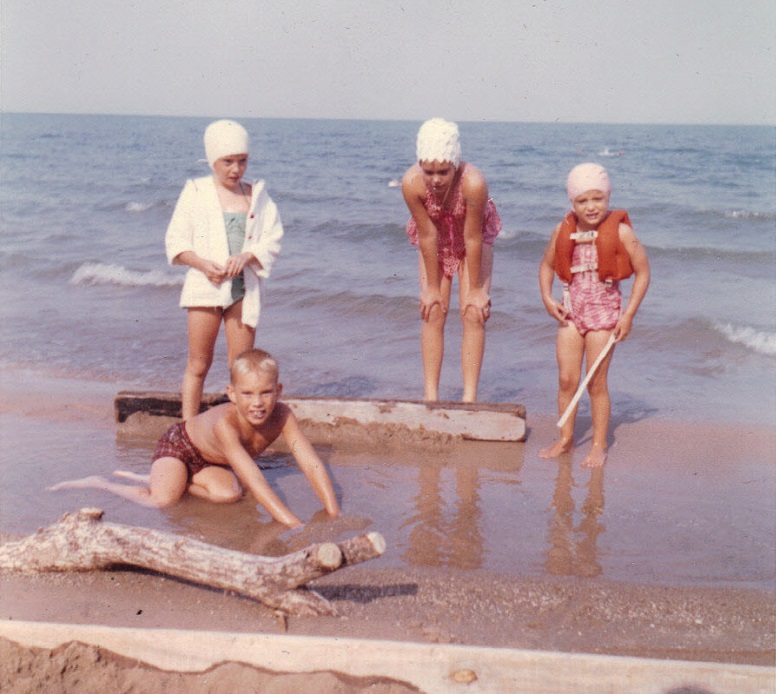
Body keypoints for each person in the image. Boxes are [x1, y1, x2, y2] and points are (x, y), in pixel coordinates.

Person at [49, 349, 340, 527]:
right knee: (161, 502)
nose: (257, 403)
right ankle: (104, 483)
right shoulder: (226, 425)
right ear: (231, 394)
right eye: (247, 394)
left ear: (278, 391)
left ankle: (167, 480)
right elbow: (254, 478)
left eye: (265, 393)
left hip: (210, 461)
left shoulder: (284, 415)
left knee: (229, 495)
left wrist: (333, 511)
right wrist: (292, 522)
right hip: (179, 446)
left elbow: (311, 463)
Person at [165, 119, 283, 420]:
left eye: (242, 161)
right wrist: (203, 264)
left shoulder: (256, 195)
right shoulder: (196, 191)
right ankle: (188, 428)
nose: (235, 169)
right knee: (198, 364)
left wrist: (247, 256)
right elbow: (176, 241)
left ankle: (238, 429)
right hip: (206, 288)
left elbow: (272, 239)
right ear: (212, 160)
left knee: (241, 367)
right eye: (227, 162)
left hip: (243, 291)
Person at [538, 163, 650, 467]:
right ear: (572, 202)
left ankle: (599, 444)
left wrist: (628, 315)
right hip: (571, 313)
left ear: (608, 197)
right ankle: (565, 439)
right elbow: (547, 265)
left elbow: (643, 272)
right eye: (582, 200)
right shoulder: (562, 230)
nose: (591, 206)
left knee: (596, 383)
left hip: (604, 315)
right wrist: (547, 298)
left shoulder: (622, 232)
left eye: (597, 199)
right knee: (566, 380)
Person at [402, 118, 502, 402]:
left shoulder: (473, 183)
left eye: (443, 172)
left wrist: (476, 290)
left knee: (473, 311)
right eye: (429, 172)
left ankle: (469, 398)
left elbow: (472, 238)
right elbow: (427, 235)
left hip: (473, 238)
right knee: (433, 310)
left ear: (455, 166)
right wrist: (432, 288)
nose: (435, 180)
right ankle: (430, 397)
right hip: (436, 238)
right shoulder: (411, 184)